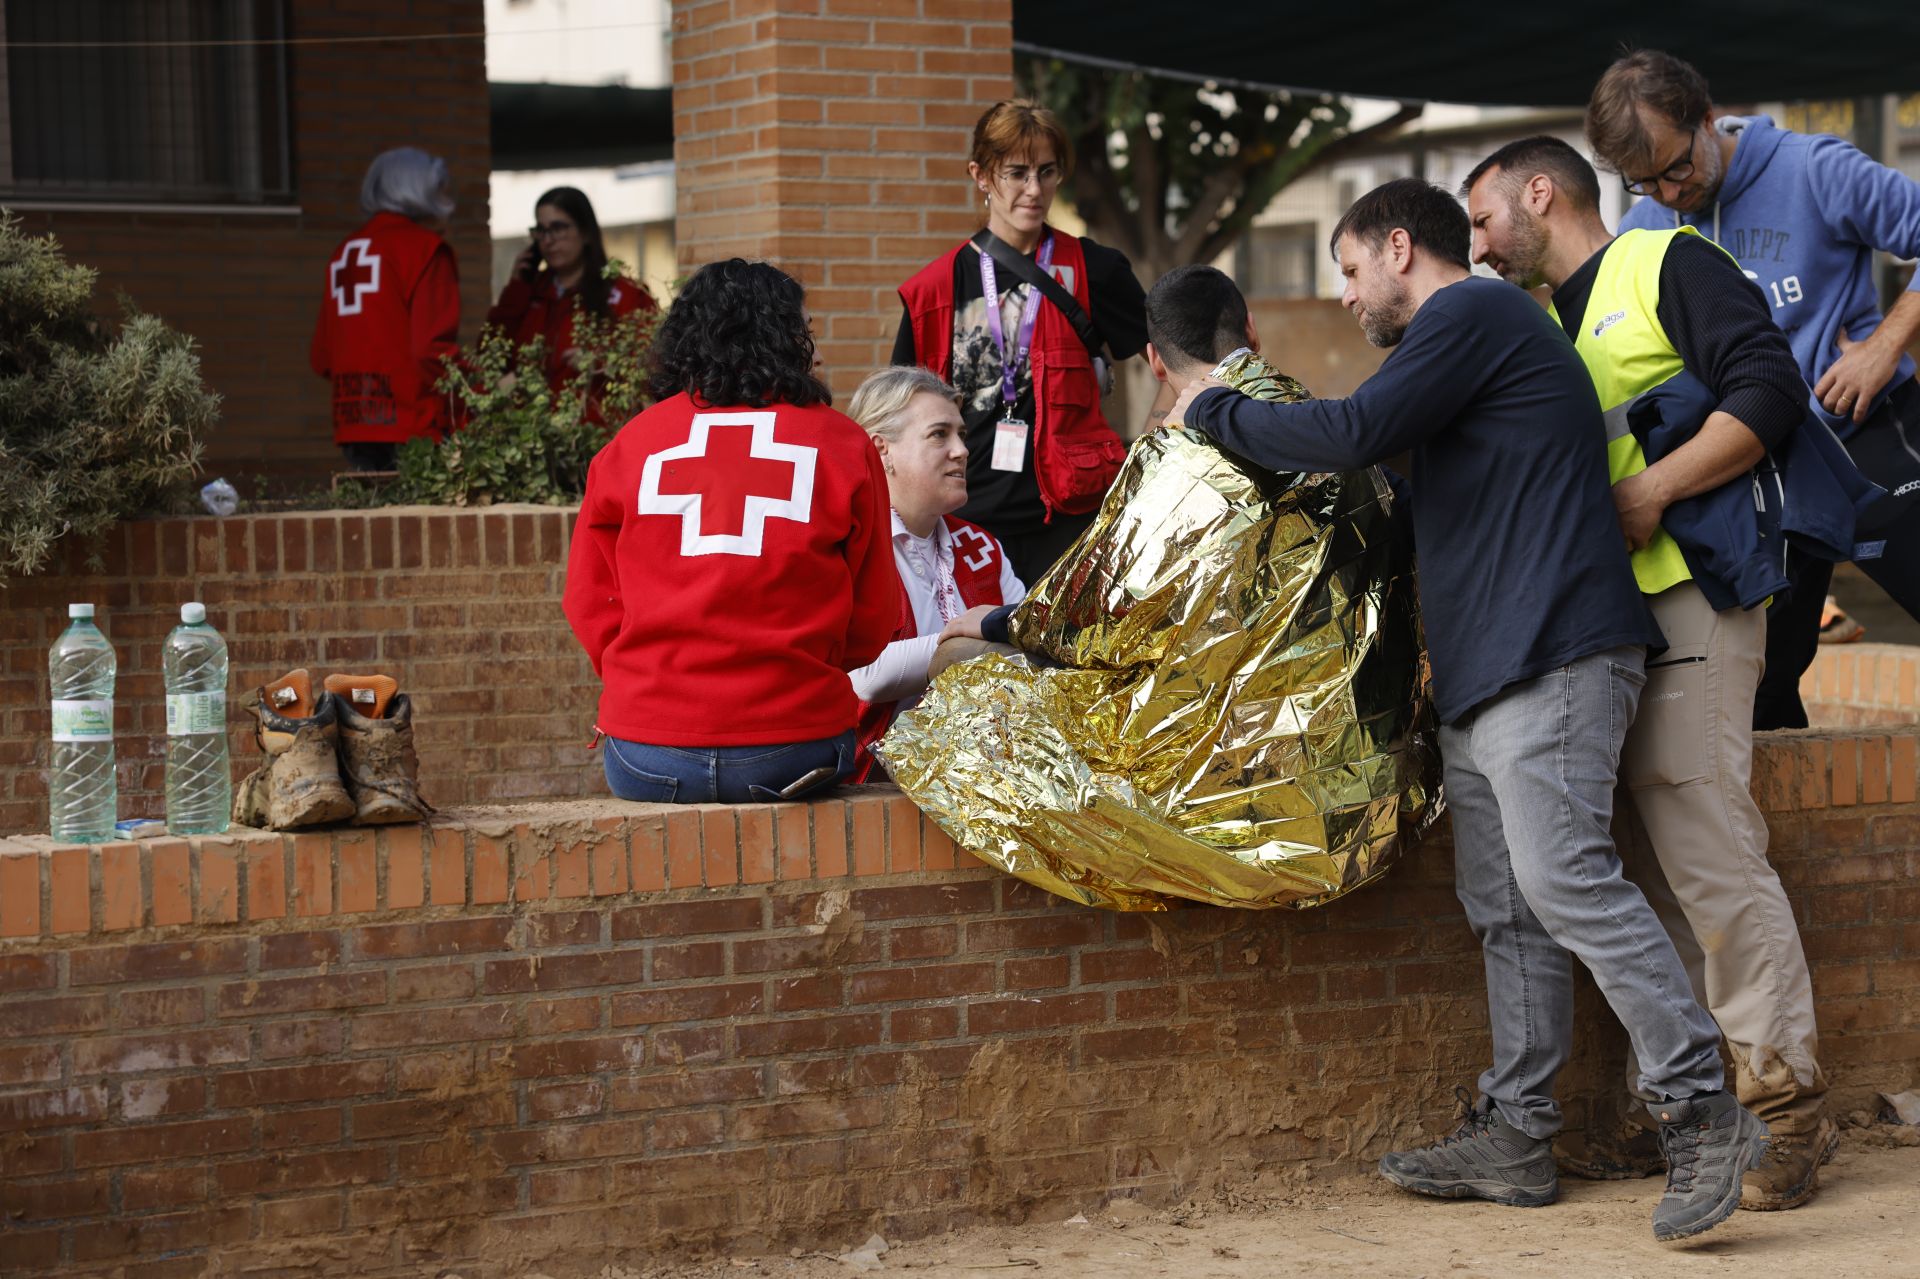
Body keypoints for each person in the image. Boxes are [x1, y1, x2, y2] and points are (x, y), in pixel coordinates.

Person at [1167, 178, 1766, 1242]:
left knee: (1566, 879)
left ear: (1401, 248)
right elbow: (1387, 502)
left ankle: (1704, 1106)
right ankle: (1519, 1134)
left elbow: (1350, 432)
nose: (1348, 297)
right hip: (1489, 678)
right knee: (1509, 907)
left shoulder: (1475, 314)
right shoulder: (1454, 367)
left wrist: (1216, 402)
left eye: (1350, 271)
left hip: (1559, 656)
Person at [1464, 135, 1837, 1210]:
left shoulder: (1664, 261)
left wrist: (1655, 490)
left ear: (1541, 192)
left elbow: (1770, 388)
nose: (1480, 246)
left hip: (1693, 598)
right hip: (1601, 625)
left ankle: (1784, 1110)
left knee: (1707, 844)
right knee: (1644, 860)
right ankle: (1681, 1113)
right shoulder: (1544, 320)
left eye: (1485, 218)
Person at [1586, 49, 1920, 729]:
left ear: (1708, 118)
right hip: (1763, 470)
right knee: (1762, 689)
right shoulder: (1644, 226)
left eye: (1678, 167)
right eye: (1644, 182)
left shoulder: (1813, 170)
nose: (1670, 194)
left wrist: (1886, 345)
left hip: (1863, 428)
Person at [561, 259, 897, 803]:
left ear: (684, 338)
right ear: (792, 336)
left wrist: (641, 679)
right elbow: (874, 616)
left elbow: (588, 601)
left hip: (647, 751)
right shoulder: (842, 445)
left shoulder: (632, 444)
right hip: (795, 748)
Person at [893, 99, 1160, 585]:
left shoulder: (1094, 269)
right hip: (964, 523)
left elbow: (1175, 365)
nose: (1034, 190)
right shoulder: (934, 289)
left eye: (1047, 172)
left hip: (1069, 522)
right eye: (1016, 173)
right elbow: (897, 414)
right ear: (981, 175)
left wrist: (1148, 460)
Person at [843, 367, 1027, 780]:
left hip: (979, 770)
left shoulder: (981, 546)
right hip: (870, 778)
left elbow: (1030, 652)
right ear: (880, 451)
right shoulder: (846, 543)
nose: (961, 450)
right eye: (939, 434)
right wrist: (963, 644)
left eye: (961, 434)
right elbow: (857, 677)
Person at [310, 146, 461, 472]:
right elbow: (431, 351)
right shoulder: (425, 249)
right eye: (439, 186)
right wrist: (480, 392)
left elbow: (322, 358)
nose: (445, 196)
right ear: (420, 189)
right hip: (416, 424)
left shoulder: (343, 252)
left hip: (354, 423)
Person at [488, 186, 658, 393]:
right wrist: (517, 287)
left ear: (585, 233)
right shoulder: (530, 291)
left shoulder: (626, 294)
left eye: (558, 228)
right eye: (541, 231)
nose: (548, 240)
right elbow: (491, 354)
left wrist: (601, 362)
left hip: (598, 421)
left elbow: (652, 366)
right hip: (533, 421)